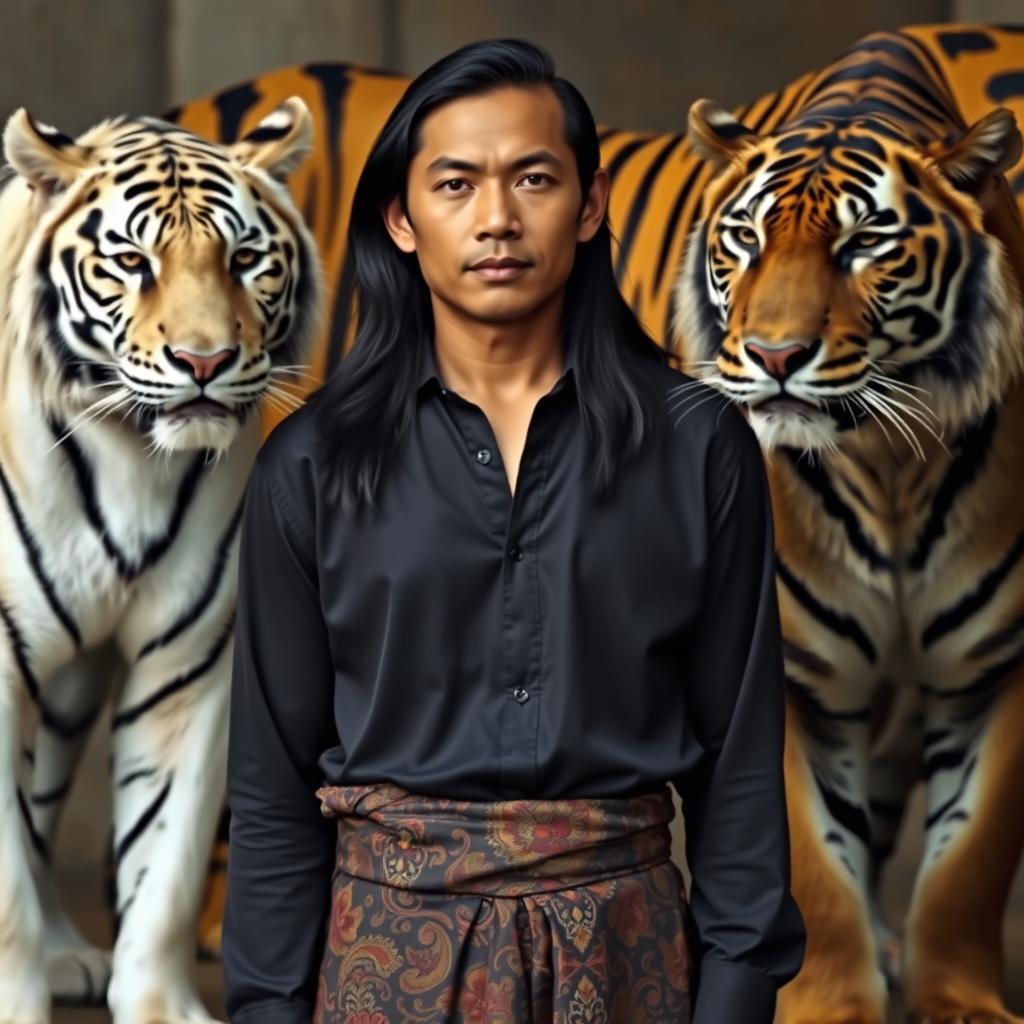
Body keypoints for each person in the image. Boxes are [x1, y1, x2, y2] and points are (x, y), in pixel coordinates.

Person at [222, 38, 805, 1024]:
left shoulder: (698, 445)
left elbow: (739, 764)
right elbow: (273, 787)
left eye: (532, 178)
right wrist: (270, 1008)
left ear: (588, 206)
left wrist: (735, 997)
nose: (496, 218)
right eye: (455, 184)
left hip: (628, 956)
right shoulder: (309, 464)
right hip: (385, 961)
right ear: (401, 220)